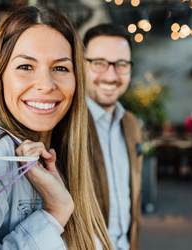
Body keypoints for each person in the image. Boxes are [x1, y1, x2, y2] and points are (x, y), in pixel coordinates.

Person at [0, 6, 112, 250]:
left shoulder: (62, 157)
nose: (46, 85)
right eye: (26, 67)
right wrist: (54, 215)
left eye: (60, 68)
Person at [83, 24, 143, 250]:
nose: (111, 75)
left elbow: (133, 201)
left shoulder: (131, 124)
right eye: (99, 63)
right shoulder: (65, 126)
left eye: (121, 64)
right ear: (82, 65)